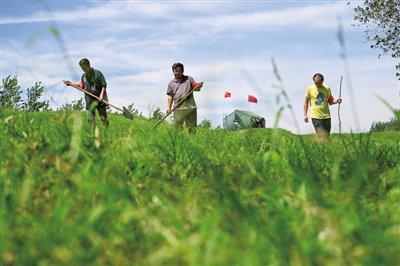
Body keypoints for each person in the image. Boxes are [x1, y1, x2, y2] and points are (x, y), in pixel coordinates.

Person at [64, 58, 109, 127]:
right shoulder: (84, 76)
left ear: (89, 65)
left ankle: (106, 132)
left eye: (85, 67)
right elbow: (82, 86)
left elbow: (104, 85)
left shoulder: (98, 73)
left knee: (104, 119)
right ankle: (94, 134)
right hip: (89, 100)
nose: (83, 69)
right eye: (82, 68)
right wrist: (71, 84)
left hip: (99, 99)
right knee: (91, 119)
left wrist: (101, 96)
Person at [166, 63, 203, 133]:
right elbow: (170, 96)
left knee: (192, 128)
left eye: (179, 71)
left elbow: (196, 88)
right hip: (177, 108)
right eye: (175, 71)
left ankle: (192, 142)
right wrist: (169, 108)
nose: (177, 73)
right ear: (173, 72)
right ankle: (178, 143)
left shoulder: (189, 79)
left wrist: (198, 86)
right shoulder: (171, 83)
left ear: (183, 71)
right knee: (177, 128)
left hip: (190, 108)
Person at [304, 73, 342, 139]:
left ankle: (324, 148)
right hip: (316, 117)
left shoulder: (327, 89)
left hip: (326, 116)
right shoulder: (309, 89)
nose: (317, 84)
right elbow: (306, 102)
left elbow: (330, 101)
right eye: (316, 82)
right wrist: (305, 115)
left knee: (326, 137)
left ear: (322, 81)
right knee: (321, 136)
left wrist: (336, 101)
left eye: (319, 82)